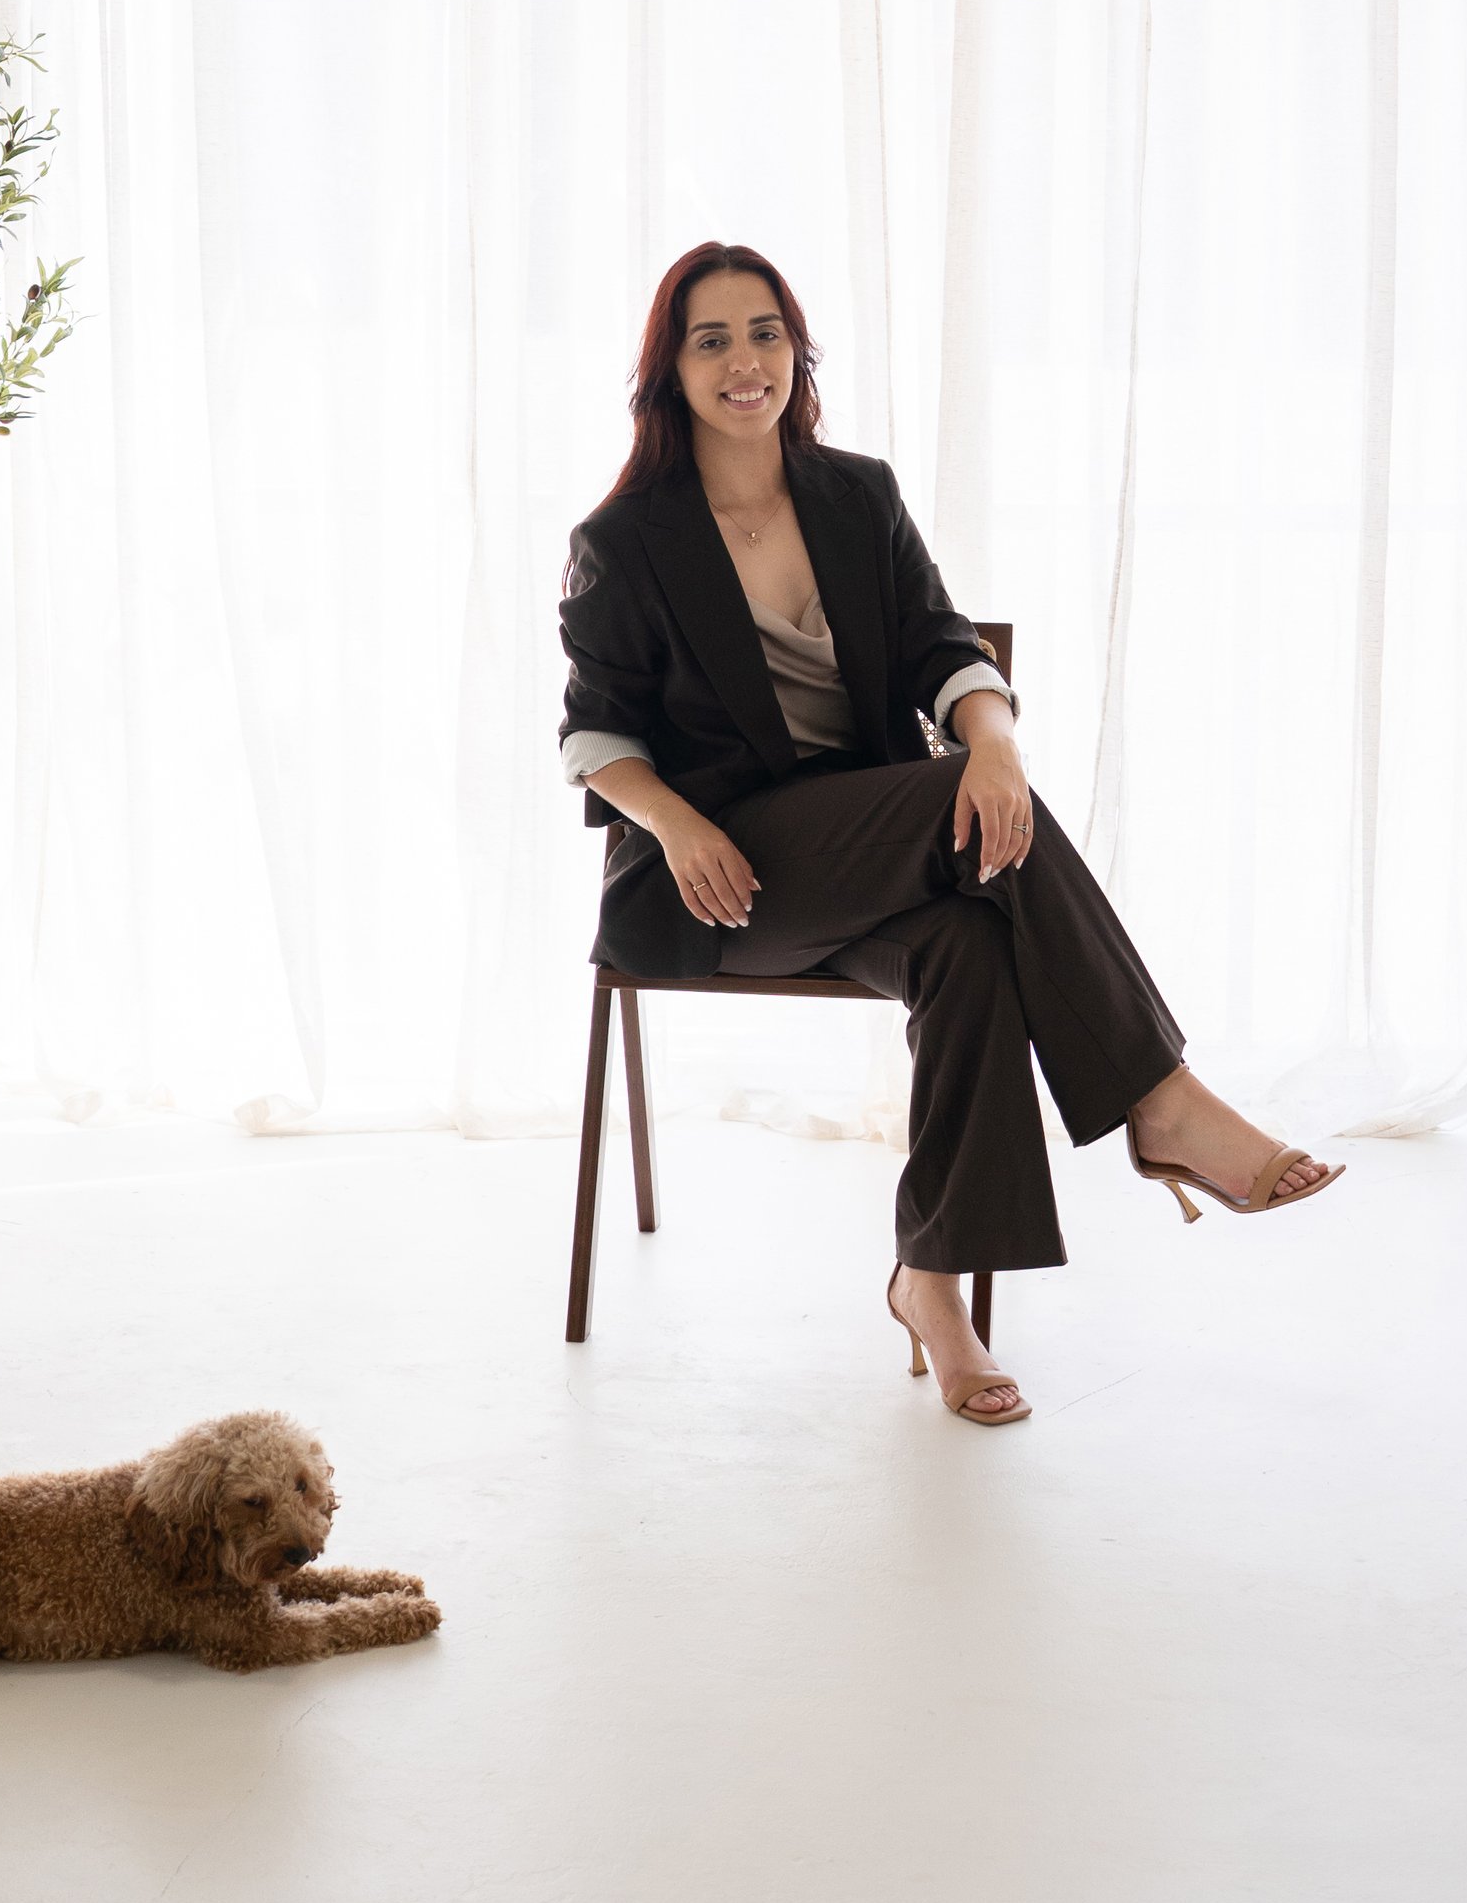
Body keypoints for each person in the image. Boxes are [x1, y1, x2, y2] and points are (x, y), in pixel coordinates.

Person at [557, 241, 1343, 1427]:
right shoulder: (625, 537)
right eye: (710, 338)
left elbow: (942, 645)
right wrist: (669, 822)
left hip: (870, 851)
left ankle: (930, 1285)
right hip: (723, 876)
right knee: (951, 803)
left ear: (796, 350)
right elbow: (591, 730)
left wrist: (997, 741)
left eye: (764, 331)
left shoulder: (855, 494)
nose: (744, 360)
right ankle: (1160, 1100)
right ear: (669, 368)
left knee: (970, 947)